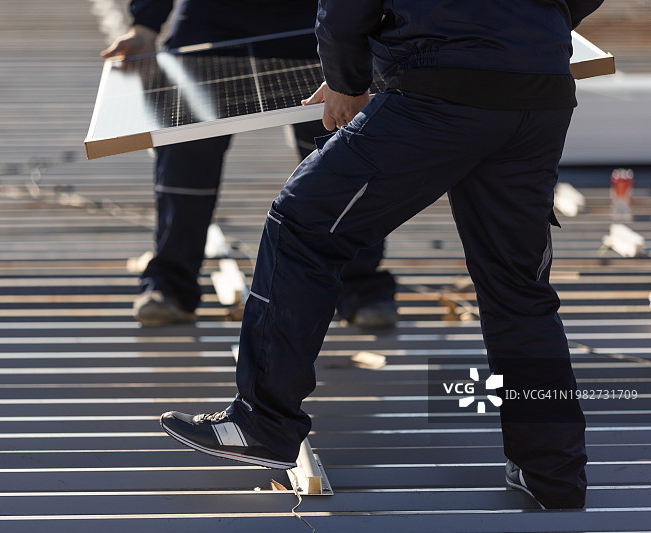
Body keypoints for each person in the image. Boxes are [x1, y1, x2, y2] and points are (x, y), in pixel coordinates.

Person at [159, 0, 603, 510]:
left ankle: (263, 420)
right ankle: (552, 473)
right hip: (540, 86)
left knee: (302, 224)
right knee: (517, 286)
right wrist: (529, 25)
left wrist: (347, 83)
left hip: (438, 86)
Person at [101, 0, 397, 328]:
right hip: (209, 19)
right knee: (185, 152)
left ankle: (360, 287)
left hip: (315, 19)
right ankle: (170, 286)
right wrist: (145, 25)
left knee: (342, 154)